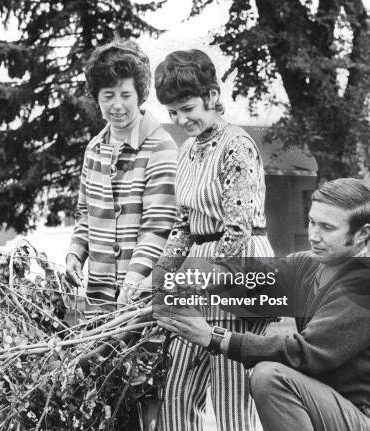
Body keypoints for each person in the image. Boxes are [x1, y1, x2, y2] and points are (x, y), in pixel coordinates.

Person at [154, 178, 370, 431]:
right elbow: (254, 289)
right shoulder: (309, 264)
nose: (314, 235)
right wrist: (187, 287)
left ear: (362, 233)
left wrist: (214, 337)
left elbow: (305, 353)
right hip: (331, 407)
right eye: (312, 222)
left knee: (270, 376)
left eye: (327, 228)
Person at [150, 49, 274, 431]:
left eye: (187, 108)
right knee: (177, 392)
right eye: (172, 112)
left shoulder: (237, 145)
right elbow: (185, 223)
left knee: (230, 397)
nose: (181, 119)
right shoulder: (187, 151)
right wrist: (160, 274)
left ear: (213, 95)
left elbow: (236, 228)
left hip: (238, 269)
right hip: (200, 273)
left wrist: (204, 281)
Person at [65, 40, 178, 311]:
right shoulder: (93, 149)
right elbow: (84, 214)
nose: (117, 105)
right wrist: (75, 253)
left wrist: (132, 286)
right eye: (108, 96)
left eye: (125, 95)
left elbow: (158, 227)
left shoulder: (161, 147)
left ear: (140, 94)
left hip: (142, 294)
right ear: (97, 98)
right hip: (98, 296)